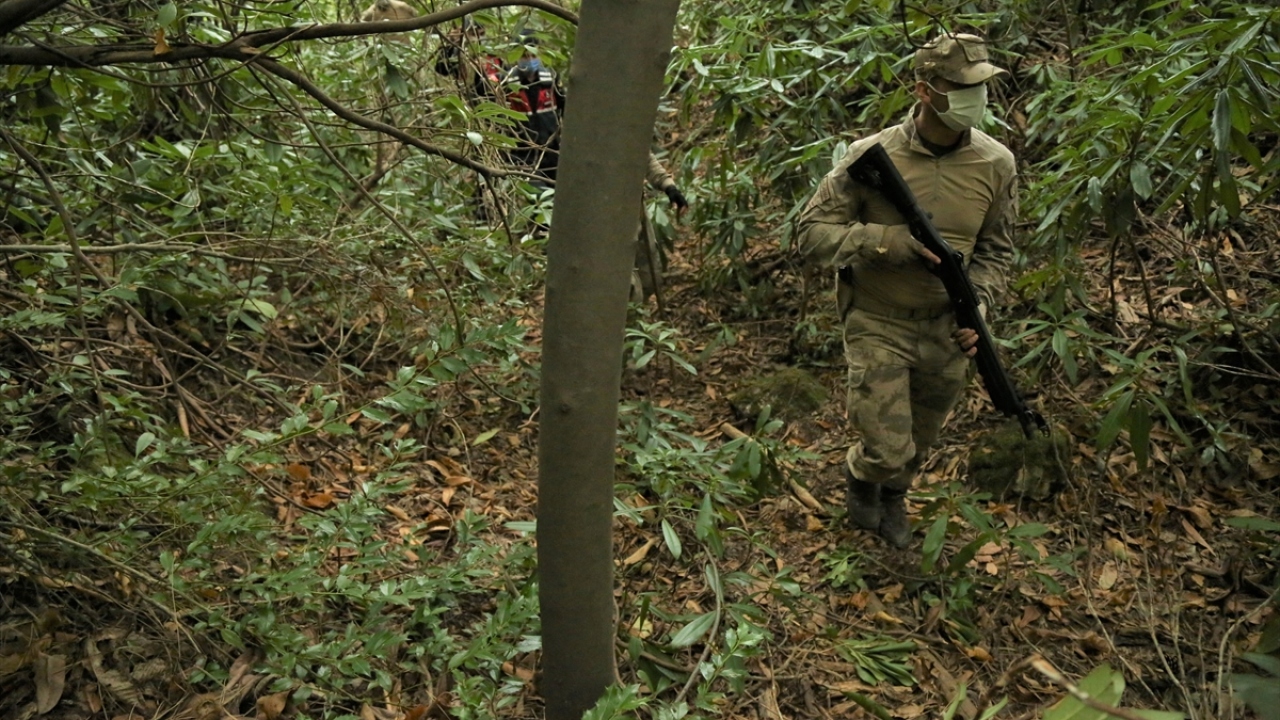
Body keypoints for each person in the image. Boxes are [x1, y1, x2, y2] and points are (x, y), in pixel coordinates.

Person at [795, 32, 1016, 548]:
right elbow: (809, 234)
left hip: (947, 328)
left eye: (982, 86)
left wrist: (979, 306)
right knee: (885, 447)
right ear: (924, 91)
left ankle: (894, 495)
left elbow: (997, 250)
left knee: (920, 440)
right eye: (963, 87)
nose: (976, 97)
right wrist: (884, 242)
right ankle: (862, 475)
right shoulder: (871, 157)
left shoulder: (996, 163)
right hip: (878, 320)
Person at [632, 154, 689, 303]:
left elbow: (645, 156)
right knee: (629, 287)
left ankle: (639, 312)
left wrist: (669, 187)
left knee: (649, 276)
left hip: (634, 210)